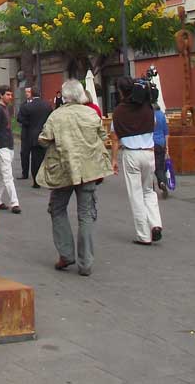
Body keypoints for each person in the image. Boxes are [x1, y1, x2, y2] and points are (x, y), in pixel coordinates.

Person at [37, 79, 111, 276]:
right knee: (86, 213)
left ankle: (66, 254)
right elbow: (103, 137)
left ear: (64, 96)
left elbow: (44, 139)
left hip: (63, 169)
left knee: (57, 208)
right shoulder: (91, 113)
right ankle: (86, 262)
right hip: (89, 169)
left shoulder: (56, 116)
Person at [110, 75, 162, 245]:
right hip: (148, 152)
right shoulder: (147, 107)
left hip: (131, 153)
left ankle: (143, 234)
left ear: (120, 91)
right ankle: (155, 223)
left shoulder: (118, 112)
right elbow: (154, 124)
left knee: (136, 194)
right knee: (149, 190)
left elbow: (114, 137)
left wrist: (114, 159)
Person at [0, 86, 20, 214]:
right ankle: (15, 203)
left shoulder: (5, 108)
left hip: (7, 145)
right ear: (1, 95)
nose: (10, 97)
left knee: (0, 176)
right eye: (7, 94)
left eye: (11, 94)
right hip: (3, 147)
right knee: (7, 175)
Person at [18, 87, 54, 188]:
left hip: (30, 134)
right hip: (44, 134)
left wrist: (29, 124)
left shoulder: (27, 106)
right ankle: (45, 178)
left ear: (32, 94)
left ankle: (35, 181)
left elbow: (20, 118)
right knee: (42, 157)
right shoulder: (47, 105)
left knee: (32, 158)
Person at [153, 101, 170, 199]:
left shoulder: (149, 115)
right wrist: (167, 147)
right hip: (161, 143)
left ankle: (151, 187)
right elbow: (166, 132)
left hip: (150, 144)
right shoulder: (162, 115)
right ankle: (162, 182)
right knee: (160, 166)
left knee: (151, 167)